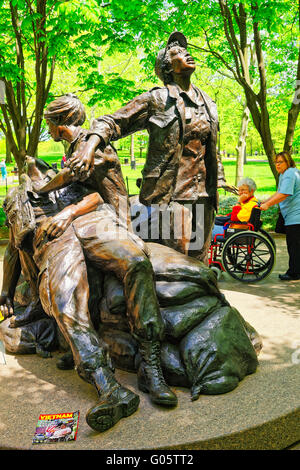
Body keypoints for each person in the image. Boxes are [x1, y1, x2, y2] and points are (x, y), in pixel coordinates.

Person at [65, 31, 221, 264]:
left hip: (204, 195)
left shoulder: (207, 102)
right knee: (178, 260)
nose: (187, 53)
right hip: (171, 194)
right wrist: (88, 149)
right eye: (178, 53)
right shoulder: (156, 100)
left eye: (185, 50)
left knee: (199, 260)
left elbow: (213, 148)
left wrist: (219, 178)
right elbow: (112, 122)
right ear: (167, 68)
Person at [260, 151, 300, 281]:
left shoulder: (289, 174)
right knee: (295, 244)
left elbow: (284, 194)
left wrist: (268, 205)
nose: (277, 165)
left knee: (293, 245)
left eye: (280, 162)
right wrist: (265, 202)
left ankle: (294, 273)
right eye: (276, 162)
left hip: (296, 215)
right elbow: (279, 192)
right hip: (292, 214)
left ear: (288, 162)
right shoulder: (286, 173)